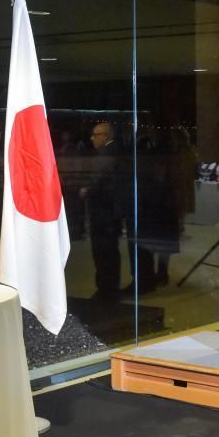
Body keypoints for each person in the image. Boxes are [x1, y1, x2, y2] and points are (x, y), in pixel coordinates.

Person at [86, 122, 123, 302]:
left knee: (103, 252)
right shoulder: (114, 152)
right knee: (110, 252)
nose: (92, 138)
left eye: (96, 134)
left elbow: (99, 182)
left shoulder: (105, 155)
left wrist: (87, 191)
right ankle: (110, 287)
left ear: (106, 136)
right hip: (110, 212)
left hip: (103, 212)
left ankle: (105, 289)